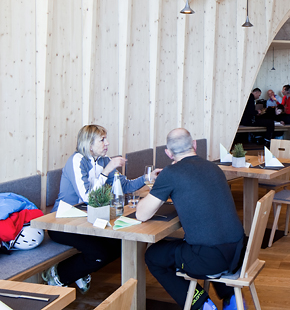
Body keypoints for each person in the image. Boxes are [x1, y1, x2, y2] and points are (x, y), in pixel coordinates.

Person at [138, 128, 245, 310]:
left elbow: (142, 214)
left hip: (210, 260)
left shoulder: (171, 173)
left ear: (168, 153)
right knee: (206, 240)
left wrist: (158, 186)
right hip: (239, 252)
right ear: (194, 145)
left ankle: (201, 304)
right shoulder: (214, 168)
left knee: (153, 256)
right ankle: (232, 299)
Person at [42, 125, 155, 293]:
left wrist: (147, 178)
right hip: (62, 222)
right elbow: (88, 197)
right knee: (99, 254)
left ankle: (79, 270)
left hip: (89, 220)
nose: (107, 143)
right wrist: (106, 171)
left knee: (119, 245)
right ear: (89, 145)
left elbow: (124, 185)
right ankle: (58, 274)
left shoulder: (103, 160)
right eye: (102, 140)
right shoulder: (77, 160)